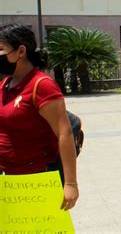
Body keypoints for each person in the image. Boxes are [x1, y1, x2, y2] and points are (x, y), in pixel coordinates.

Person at [0, 24, 79, 211]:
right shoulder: (4, 84)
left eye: (1, 49)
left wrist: (70, 184)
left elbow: (64, 133)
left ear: (20, 51)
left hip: (36, 180)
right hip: (7, 180)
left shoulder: (41, 85)